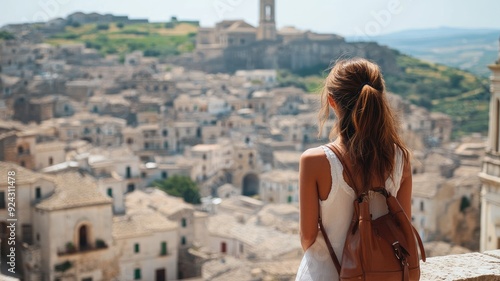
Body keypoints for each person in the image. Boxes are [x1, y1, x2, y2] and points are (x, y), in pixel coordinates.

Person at [295, 58, 412, 281]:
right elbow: (403, 225)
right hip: (383, 275)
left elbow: (308, 236)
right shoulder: (400, 158)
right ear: (379, 97)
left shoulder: (315, 161)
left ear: (331, 101)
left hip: (325, 274)